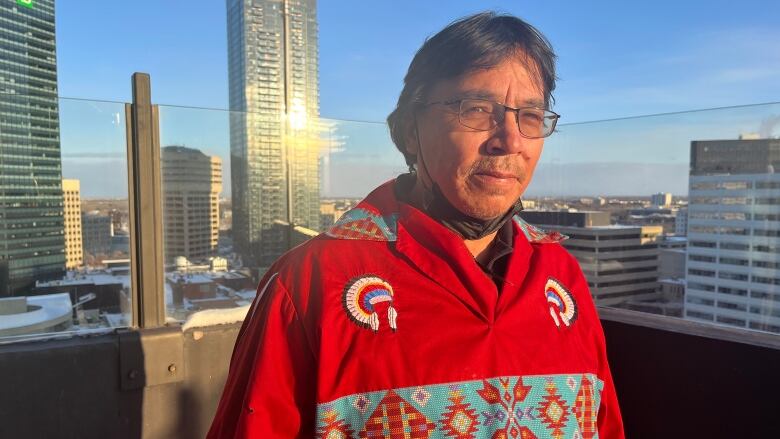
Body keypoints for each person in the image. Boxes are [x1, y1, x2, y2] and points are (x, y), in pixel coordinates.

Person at [208, 11, 625, 439]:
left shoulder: (560, 276)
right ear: (410, 130)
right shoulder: (311, 283)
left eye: (531, 117)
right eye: (477, 109)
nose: (510, 140)